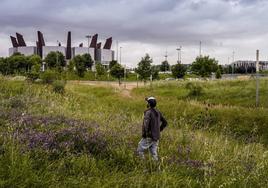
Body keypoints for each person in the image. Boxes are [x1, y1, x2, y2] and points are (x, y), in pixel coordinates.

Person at [137, 97, 167, 161]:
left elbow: (146, 125)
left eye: (147, 102)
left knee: (140, 149)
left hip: (149, 135)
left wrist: (145, 134)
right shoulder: (158, 112)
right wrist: (159, 130)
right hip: (156, 136)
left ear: (149, 104)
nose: (147, 103)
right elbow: (165, 123)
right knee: (153, 152)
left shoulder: (148, 112)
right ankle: (155, 166)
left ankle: (142, 163)